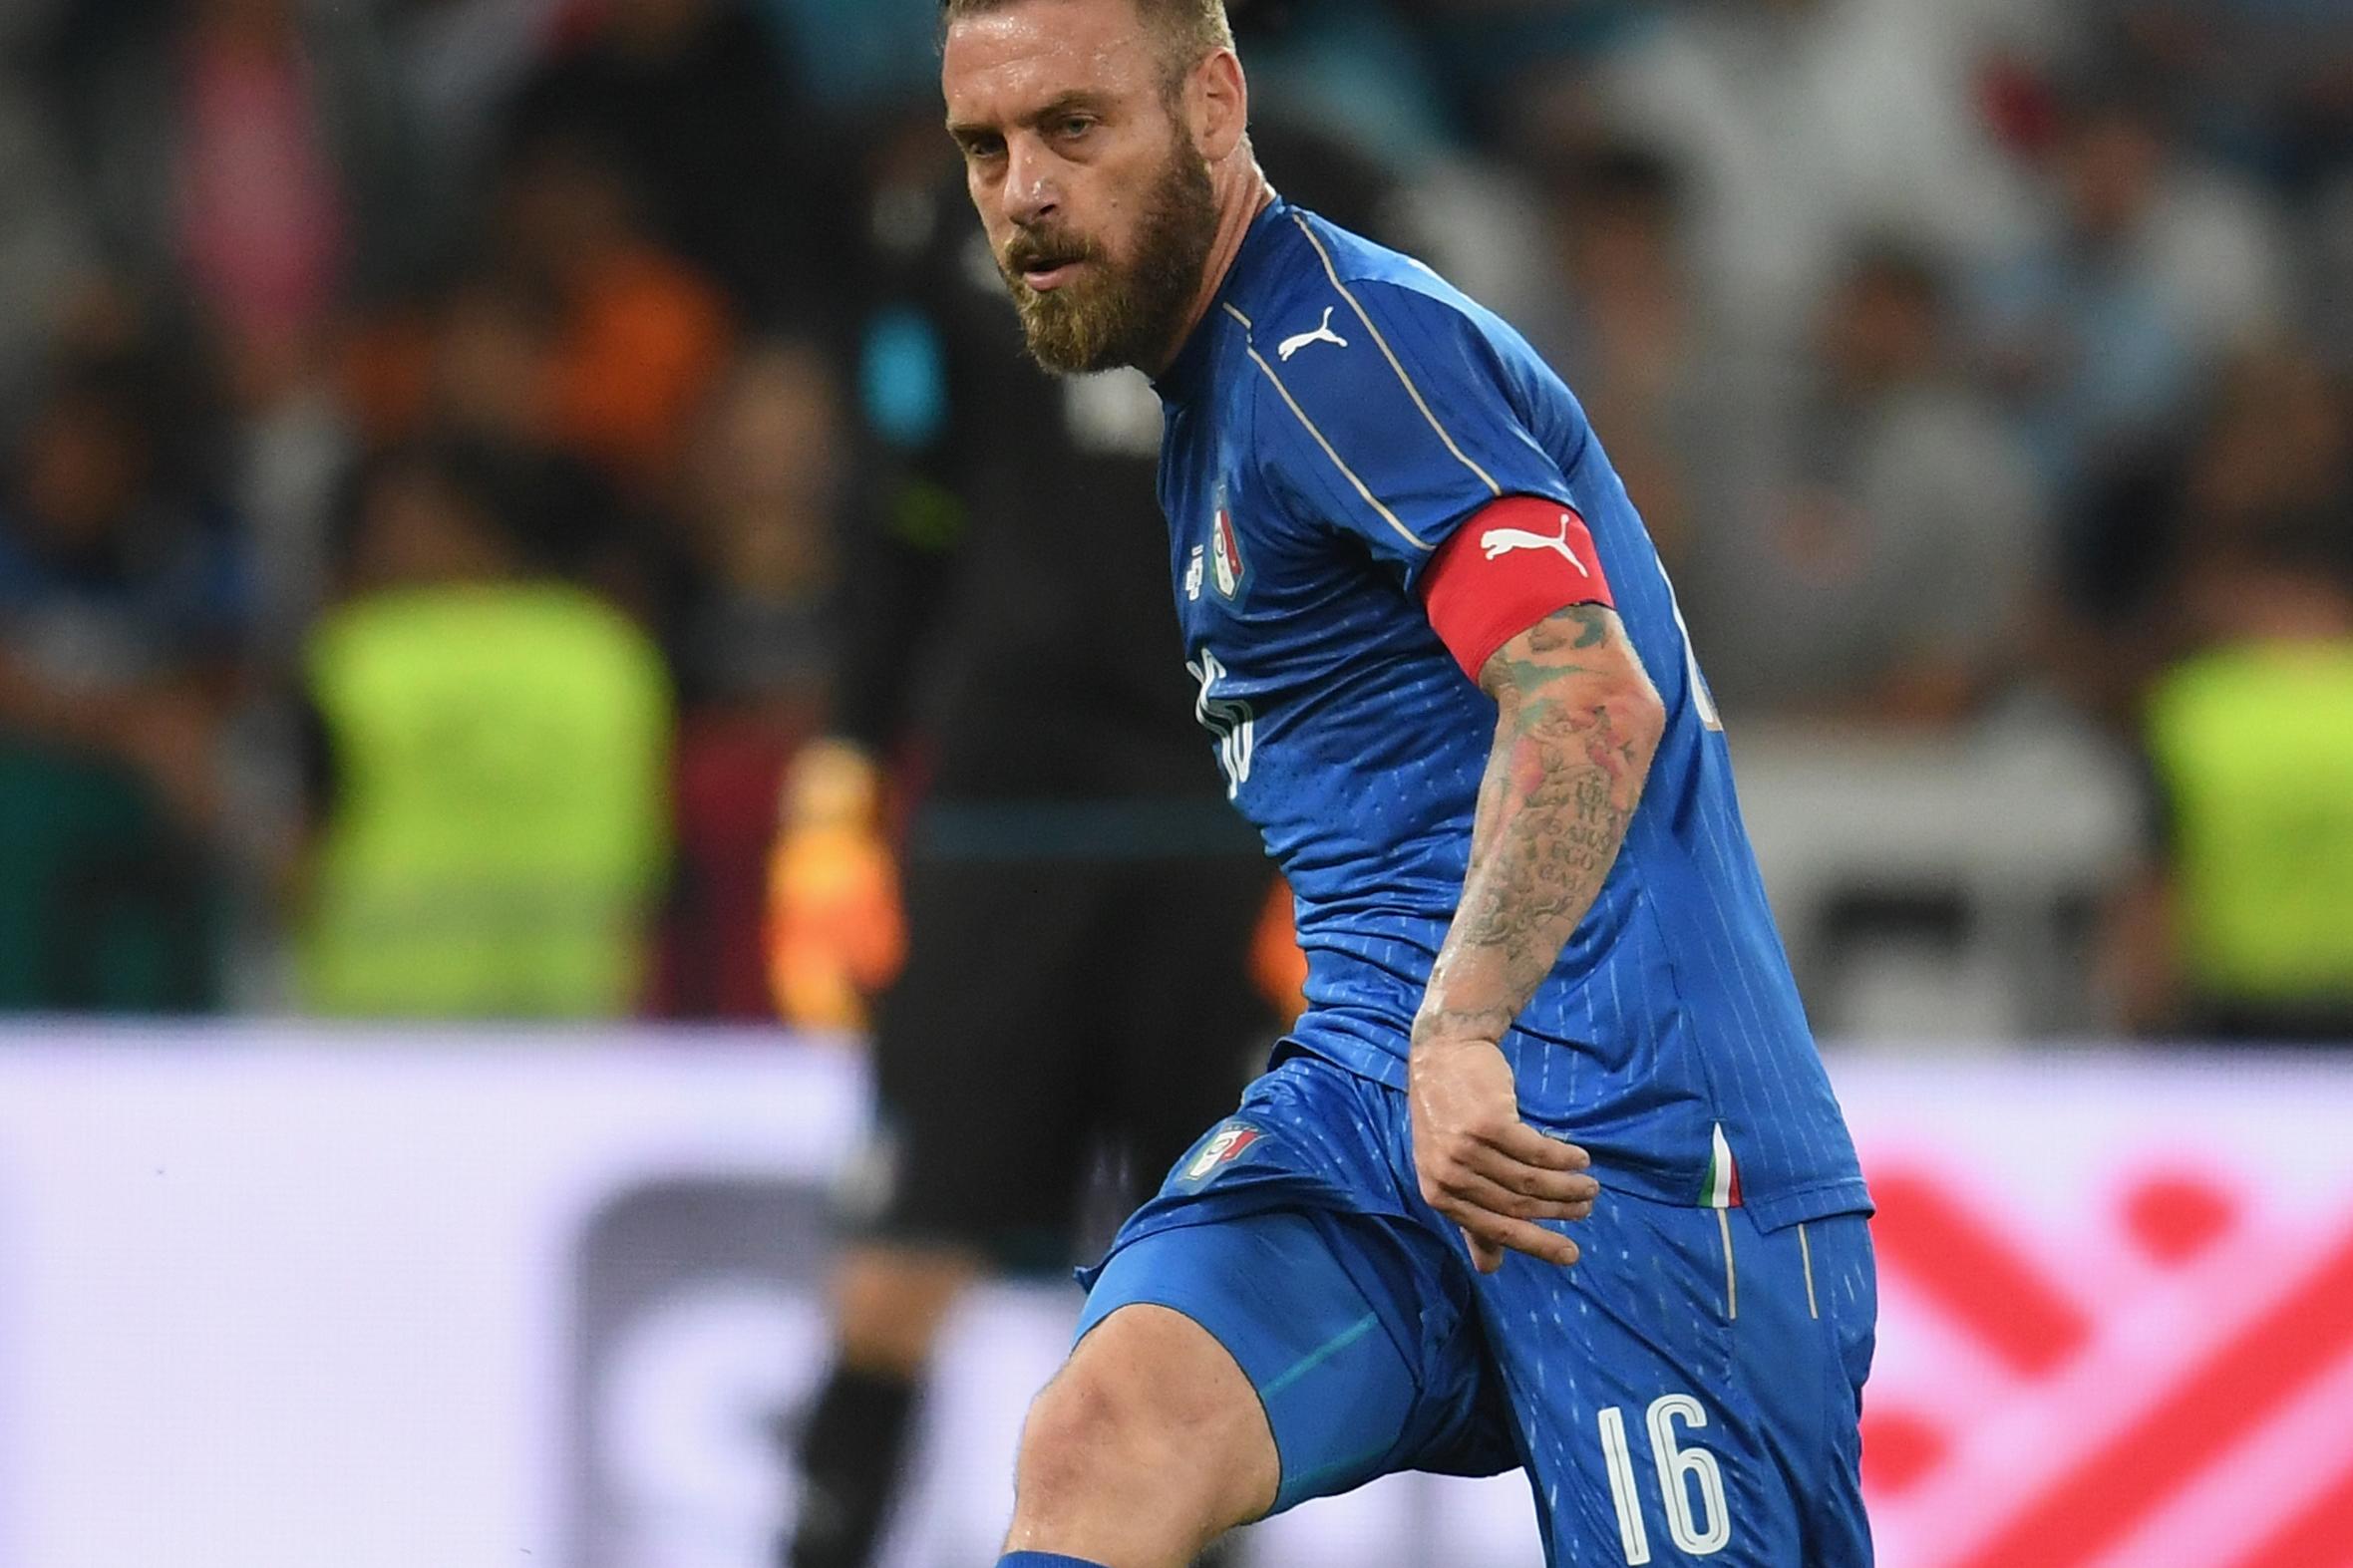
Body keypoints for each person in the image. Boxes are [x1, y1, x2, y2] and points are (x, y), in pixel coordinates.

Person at [934, 2, 1876, 1564]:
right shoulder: (1215, 397)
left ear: (1216, 101)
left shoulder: (1336, 351)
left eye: (1076, 128)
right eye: (987, 145)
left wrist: (1463, 1026)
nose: (1023, 190)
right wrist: (1422, 1047)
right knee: (1107, 1437)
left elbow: (1583, 693)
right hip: (1383, 1115)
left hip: (1629, 1143)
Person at [770, 151, 1289, 1567]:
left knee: (1208, 1303)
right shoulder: (936, 224)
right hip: (1003, 820)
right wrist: (843, 777)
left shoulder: (1294, 200)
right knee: (896, 1265)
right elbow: (906, 515)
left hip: (1218, 819)